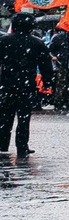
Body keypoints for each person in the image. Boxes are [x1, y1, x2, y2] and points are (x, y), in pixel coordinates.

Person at [0, 11, 55, 162]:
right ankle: (22, 146)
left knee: (5, 117)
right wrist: (48, 82)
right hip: (27, 85)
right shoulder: (37, 43)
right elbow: (46, 66)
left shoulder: (4, 41)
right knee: (24, 118)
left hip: (6, 84)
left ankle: (3, 144)